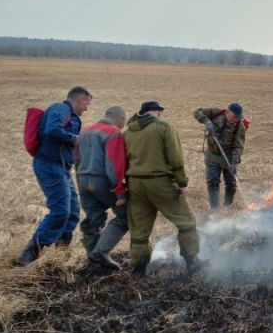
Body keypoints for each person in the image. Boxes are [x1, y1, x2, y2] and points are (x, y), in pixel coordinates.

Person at [16, 86, 92, 265]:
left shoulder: (72, 116)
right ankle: (29, 254)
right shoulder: (61, 109)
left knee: (72, 212)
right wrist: (76, 139)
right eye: (86, 104)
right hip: (50, 165)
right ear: (80, 100)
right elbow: (52, 129)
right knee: (60, 211)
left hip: (62, 168)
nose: (87, 109)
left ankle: (60, 254)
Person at [123, 101, 200, 275]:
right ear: (157, 112)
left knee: (139, 230)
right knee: (186, 221)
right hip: (160, 182)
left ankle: (138, 269)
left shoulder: (128, 132)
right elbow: (175, 157)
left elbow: (123, 160)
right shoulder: (164, 127)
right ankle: (192, 261)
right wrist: (182, 183)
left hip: (135, 183)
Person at [76, 106, 129, 272]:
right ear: (120, 118)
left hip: (83, 180)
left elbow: (76, 159)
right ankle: (101, 252)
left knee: (93, 220)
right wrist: (120, 190)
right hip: (102, 181)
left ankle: (95, 265)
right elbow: (113, 164)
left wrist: (80, 182)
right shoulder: (113, 132)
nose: (123, 125)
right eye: (124, 122)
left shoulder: (84, 131)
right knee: (125, 217)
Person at [193, 102, 245, 209]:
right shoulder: (215, 113)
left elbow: (238, 146)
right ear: (227, 111)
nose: (235, 119)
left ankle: (227, 206)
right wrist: (206, 121)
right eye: (234, 117)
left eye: (238, 118)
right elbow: (197, 111)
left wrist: (234, 163)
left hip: (228, 157)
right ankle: (215, 210)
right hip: (212, 155)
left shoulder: (240, 126)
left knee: (231, 183)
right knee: (212, 182)